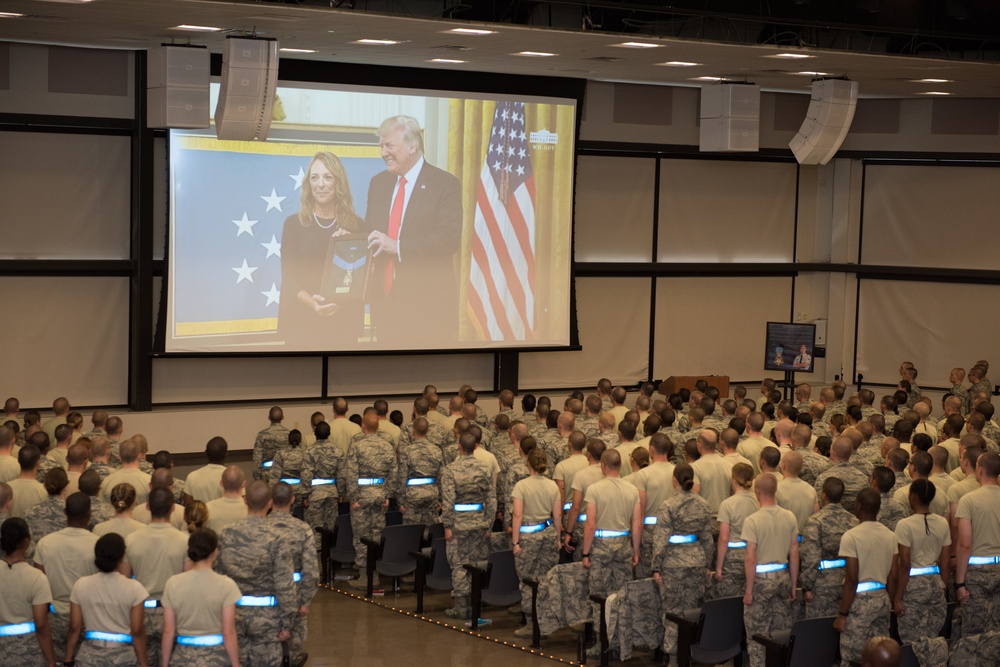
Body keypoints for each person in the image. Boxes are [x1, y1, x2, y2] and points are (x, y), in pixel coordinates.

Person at [365, 115, 462, 344]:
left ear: (412, 146)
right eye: (381, 146)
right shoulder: (378, 183)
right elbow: (371, 230)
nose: (383, 153)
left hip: (428, 310)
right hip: (385, 306)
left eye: (389, 145)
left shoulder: (445, 184)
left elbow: (448, 240)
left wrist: (397, 247)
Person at [278, 151, 368, 348]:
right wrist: (314, 304)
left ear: (338, 183)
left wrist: (350, 247)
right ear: (308, 184)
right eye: (315, 177)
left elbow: (364, 277)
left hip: (343, 322)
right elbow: (289, 278)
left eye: (328, 177)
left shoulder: (357, 227)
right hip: (301, 322)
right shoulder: (293, 224)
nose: (321, 184)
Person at [215, 481, 295, 667]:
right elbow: (285, 585)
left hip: (232, 615)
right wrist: (287, 622)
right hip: (268, 619)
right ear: (269, 503)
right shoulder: (277, 537)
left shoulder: (226, 533)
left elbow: (216, 575)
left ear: (244, 501)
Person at [652, 462, 713, 656]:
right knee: (692, 609)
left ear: (674, 480)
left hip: (672, 564)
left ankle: (673, 658)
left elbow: (660, 540)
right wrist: (707, 565)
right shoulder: (703, 504)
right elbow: (707, 539)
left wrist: (656, 567)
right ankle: (690, 652)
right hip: (696, 560)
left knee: (673, 611)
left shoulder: (668, 505)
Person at [124, 487, 189, 667]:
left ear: (147, 507)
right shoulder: (184, 541)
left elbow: (124, 581)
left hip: (140, 612)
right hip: (172, 613)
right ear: (173, 508)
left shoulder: (131, 540)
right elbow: (188, 580)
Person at [835, 488, 898, 667]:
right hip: (883, 598)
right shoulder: (890, 535)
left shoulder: (851, 536)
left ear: (859, 506)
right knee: (879, 657)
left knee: (852, 658)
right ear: (878, 508)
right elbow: (893, 576)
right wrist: (890, 603)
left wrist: (842, 613)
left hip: (859, 602)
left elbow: (852, 578)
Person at [64, 533, 149, 667]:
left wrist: (68, 658)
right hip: (123, 656)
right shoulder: (135, 588)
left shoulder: (81, 584)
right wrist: (144, 663)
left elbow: (75, 626)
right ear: (121, 557)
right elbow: (137, 630)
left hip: (89, 655)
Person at [161, 529, 241, 667]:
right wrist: (236, 664)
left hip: (183, 657)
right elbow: (228, 633)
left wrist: (165, 663)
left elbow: (168, 631)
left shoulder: (172, 583)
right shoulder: (227, 585)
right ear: (215, 552)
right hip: (216, 658)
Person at [742, 473, 799, 667]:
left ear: (757, 492)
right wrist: (793, 584)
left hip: (760, 580)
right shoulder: (789, 516)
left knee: (757, 635)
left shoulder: (752, 520)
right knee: (780, 632)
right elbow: (794, 553)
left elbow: (750, 558)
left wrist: (749, 591)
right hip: (783, 577)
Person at [33, 492, 99, 659]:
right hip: (87, 617)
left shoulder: (45, 543)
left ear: (64, 512)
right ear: (89, 515)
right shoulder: (97, 544)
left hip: (53, 617)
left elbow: (38, 581)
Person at [441, 432, 496, 619]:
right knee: (476, 563)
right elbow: (492, 500)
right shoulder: (485, 469)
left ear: (459, 446)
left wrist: (447, 525)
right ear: (476, 447)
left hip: (458, 523)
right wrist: (488, 524)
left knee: (458, 564)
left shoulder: (450, 470)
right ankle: (475, 602)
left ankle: (461, 606)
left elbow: (448, 501)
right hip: (480, 522)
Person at [266, 483, 318, 667]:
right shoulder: (302, 529)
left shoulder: (262, 528)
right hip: (295, 598)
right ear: (293, 500)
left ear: (270, 501)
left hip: (265, 600)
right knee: (293, 650)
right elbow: (311, 571)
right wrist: (305, 602)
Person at [510, 448, 561, 638]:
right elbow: (557, 515)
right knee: (546, 578)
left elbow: (517, 515)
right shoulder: (552, 486)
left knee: (527, 579)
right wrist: (557, 538)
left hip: (528, 536)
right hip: (548, 534)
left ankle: (531, 623)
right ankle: (546, 621)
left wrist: (515, 542)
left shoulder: (521, 486)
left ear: (528, 464)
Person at [344, 411, 397, 588]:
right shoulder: (387, 446)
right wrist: (387, 495)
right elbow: (393, 473)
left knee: (361, 536)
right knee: (376, 534)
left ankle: (365, 576)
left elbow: (351, 474)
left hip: (362, 496)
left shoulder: (357, 446)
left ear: (363, 426)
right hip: (380, 496)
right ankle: (375, 574)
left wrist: (353, 498)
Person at [893, 479, 950, 643]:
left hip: (912, 586)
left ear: (913, 497)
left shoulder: (904, 525)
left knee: (912, 642)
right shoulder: (942, 523)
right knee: (934, 639)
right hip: (935, 583)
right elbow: (945, 562)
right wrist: (943, 588)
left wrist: (897, 598)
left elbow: (904, 564)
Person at [0, 517, 57, 667]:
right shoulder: (37, 577)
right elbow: (41, 624)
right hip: (28, 651)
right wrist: (51, 660)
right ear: (26, 542)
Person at [954, 451, 1000, 636]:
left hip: (978, 571)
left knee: (975, 632)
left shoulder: (969, 500)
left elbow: (965, 545)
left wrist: (959, 583)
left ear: (979, 471)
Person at [800, 477, 859, 619]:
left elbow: (811, 557)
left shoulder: (815, 521)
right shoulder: (854, 521)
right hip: (847, 583)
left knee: (819, 630)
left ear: (823, 494)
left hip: (821, 586)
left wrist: (806, 586)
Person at [713, 463, 759, 599]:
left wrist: (719, 567)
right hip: (754, 555)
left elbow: (723, 539)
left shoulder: (727, 504)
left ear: (733, 480)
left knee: (729, 600)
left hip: (732, 560)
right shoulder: (758, 502)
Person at [252, 406, 289, 481]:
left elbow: (257, 459)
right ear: (283, 418)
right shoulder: (289, 434)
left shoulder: (262, 435)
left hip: (267, 475)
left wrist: (258, 478)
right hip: (285, 473)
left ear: (269, 418)